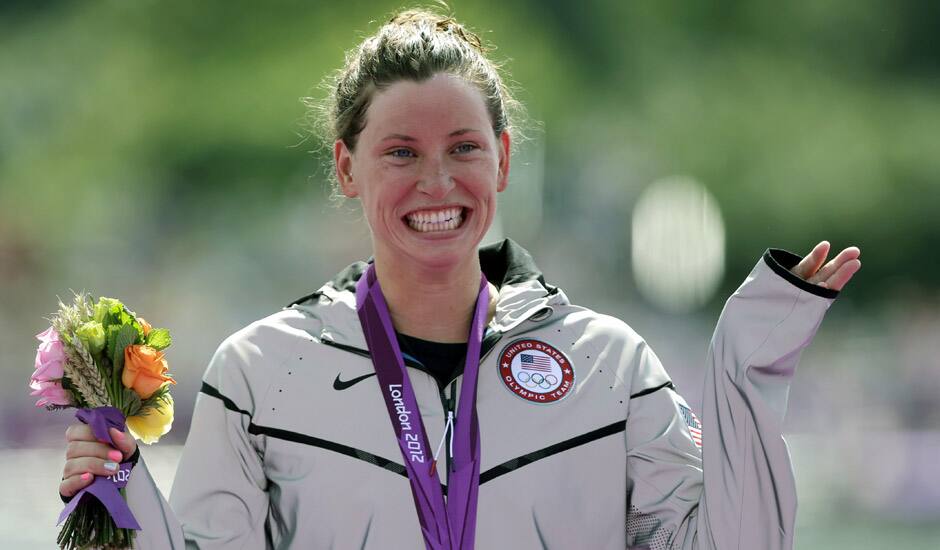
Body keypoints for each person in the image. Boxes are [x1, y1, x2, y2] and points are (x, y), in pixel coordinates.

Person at [57, 8, 861, 549]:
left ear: (505, 159)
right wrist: (117, 494)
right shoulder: (261, 373)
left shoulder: (609, 367)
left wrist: (746, 366)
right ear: (347, 166)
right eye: (401, 153)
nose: (437, 182)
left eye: (464, 148)